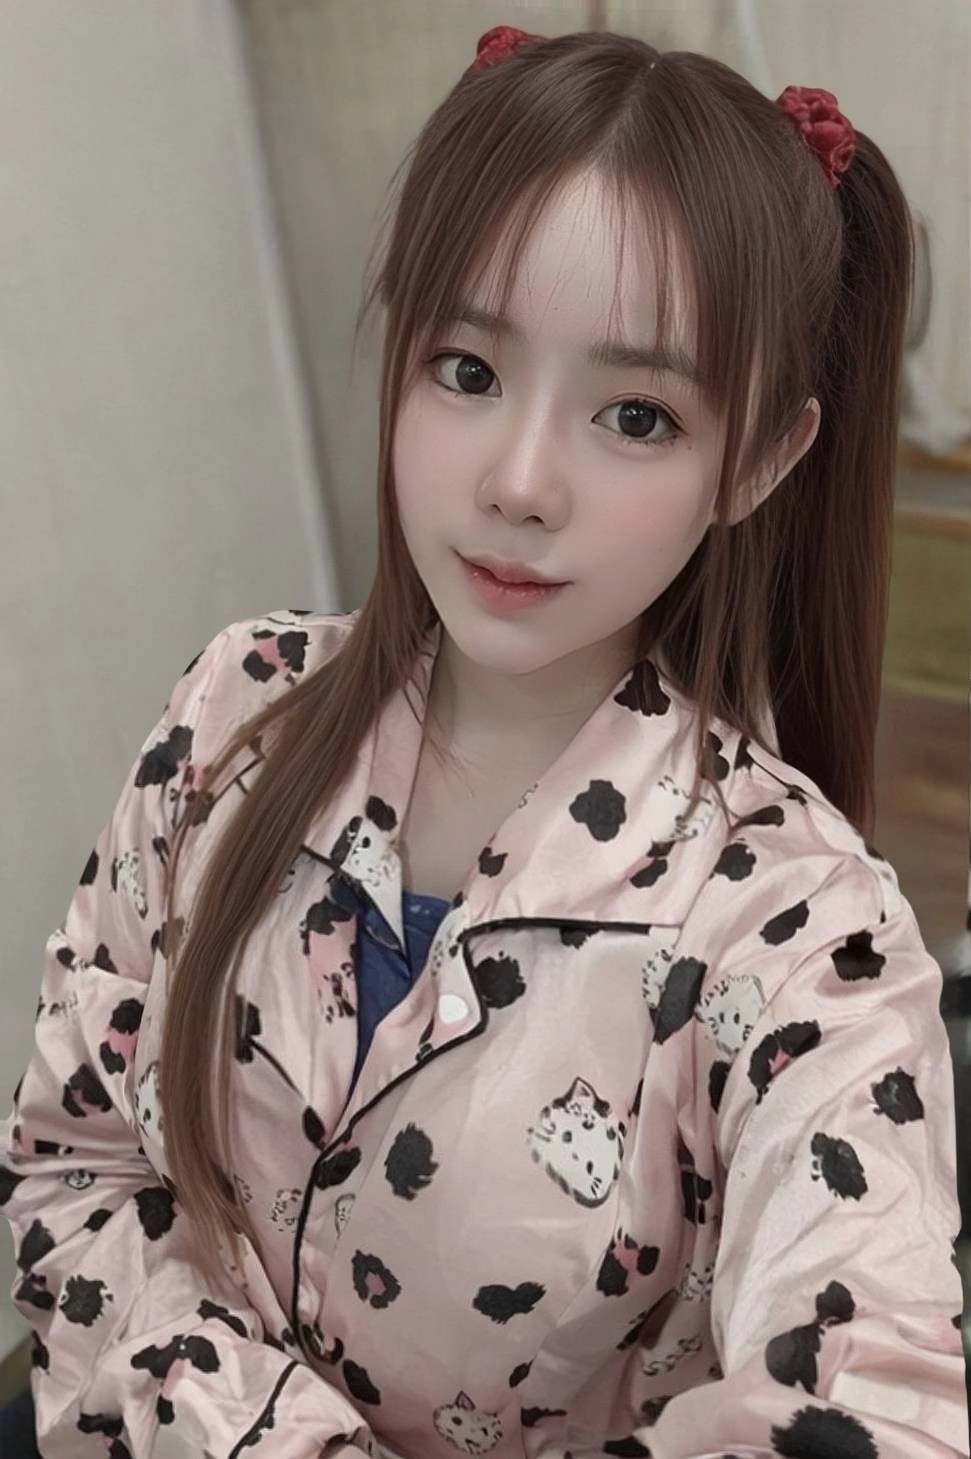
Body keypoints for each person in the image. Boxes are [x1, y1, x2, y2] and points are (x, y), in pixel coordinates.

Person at [1, 22, 967, 1459]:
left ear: (759, 459)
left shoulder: (800, 924)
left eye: (635, 414)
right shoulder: (232, 710)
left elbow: (870, 1390)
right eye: (466, 370)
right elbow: (75, 1163)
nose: (519, 482)